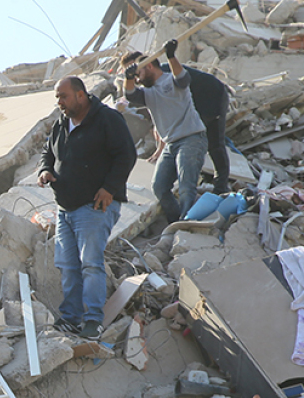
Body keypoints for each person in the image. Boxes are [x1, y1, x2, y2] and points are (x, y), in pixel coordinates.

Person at [38, 76, 137, 339]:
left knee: (90, 264)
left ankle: (93, 320)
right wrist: (45, 170)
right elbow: (47, 153)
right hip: (65, 208)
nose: (59, 102)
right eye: (57, 97)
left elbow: (126, 155)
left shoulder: (107, 119)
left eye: (63, 96)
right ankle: (70, 317)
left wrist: (110, 188)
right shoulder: (61, 123)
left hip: (93, 206)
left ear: (81, 95)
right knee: (68, 265)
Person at [122, 39, 208, 222]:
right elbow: (130, 95)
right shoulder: (148, 93)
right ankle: (175, 222)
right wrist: (128, 78)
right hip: (171, 143)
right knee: (159, 186)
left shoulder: (172, 80)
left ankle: (186, 225)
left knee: (186, 186)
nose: (138, 79)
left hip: (191, 138)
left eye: (139, 74)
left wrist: (171, 56)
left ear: (150, 67)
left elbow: (183, 79)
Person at [132, 52, 232, 195]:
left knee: (212, 143)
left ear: (147, 66)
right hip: (196, 102)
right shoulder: (154, 77)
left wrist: (161, 149)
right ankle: (193, 182)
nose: (136, 78)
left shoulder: (164, 72)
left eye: (136, 72)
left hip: (212, 96)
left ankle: (219, 187)